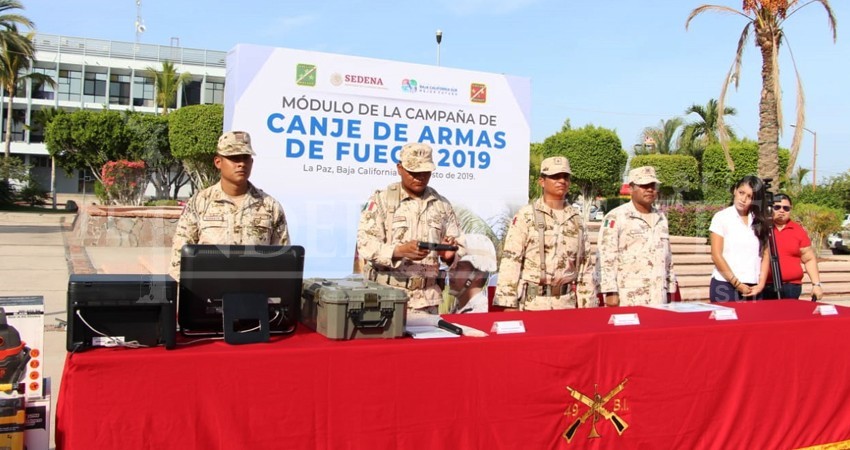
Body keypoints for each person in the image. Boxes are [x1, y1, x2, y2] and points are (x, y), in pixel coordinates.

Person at [357, 142, 462, 315]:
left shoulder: (442, 205)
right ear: (400, 168)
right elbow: (365, 244)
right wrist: (399, 251)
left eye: (425, 172)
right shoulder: (381, 201)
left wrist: (449, 257)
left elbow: (458, 249)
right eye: (414, 172)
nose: (420, 177)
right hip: (387, 299)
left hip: (427, 303)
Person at [169, 131, 290, 280]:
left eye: (245, 158)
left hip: (255, 291)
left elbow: (283, 261)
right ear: (218, 162)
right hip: (207, 291)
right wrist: (184, 293)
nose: (241, 164)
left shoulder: (270, 206)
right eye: (234, 158)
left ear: (251, 162)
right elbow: (179, 258)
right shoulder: (199, 203)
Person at [494, 156, 594, 310]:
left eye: (565, 177)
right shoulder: (526, 216)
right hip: (532, 305)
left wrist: (588, 305)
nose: (561, 181)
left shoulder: (577, 220)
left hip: (567, 304)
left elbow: (585, 265)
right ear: (542, 181)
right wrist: (508, 305)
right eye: (555, 176)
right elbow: (511, 260)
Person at [596, 166, 677, 306]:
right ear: (631, 188)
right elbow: (606, 256)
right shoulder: (616, 216)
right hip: (629, 297)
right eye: (644, 185)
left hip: (658, 295)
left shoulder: (661, 217)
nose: (650, 189)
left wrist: (670, 288)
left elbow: (667, 256)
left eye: (653, 185)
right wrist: (610, 291)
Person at [708, 175, 770, 301]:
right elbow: (716, 255)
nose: (743, 199)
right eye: (741, 193)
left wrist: (761, 284)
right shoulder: (721, 217)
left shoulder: (759, 221)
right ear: (735, 190)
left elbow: (765, 254)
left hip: (754, 288)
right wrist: (737, 284)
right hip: (725, 286)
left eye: (750, 196)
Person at [762, 193, 825, 300]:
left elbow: (809, 259)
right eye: (777, 207)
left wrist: (816, 285)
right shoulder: (761, 229)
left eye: (786, 208)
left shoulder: (798, 230)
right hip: (765, 286)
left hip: (791, 287)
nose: (782, 211)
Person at [447, 233, 498, 314]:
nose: (451, 272)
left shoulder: (481, 313)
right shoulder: (457, 310)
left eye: (459, 267)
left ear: (478, 275)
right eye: (451, 266)